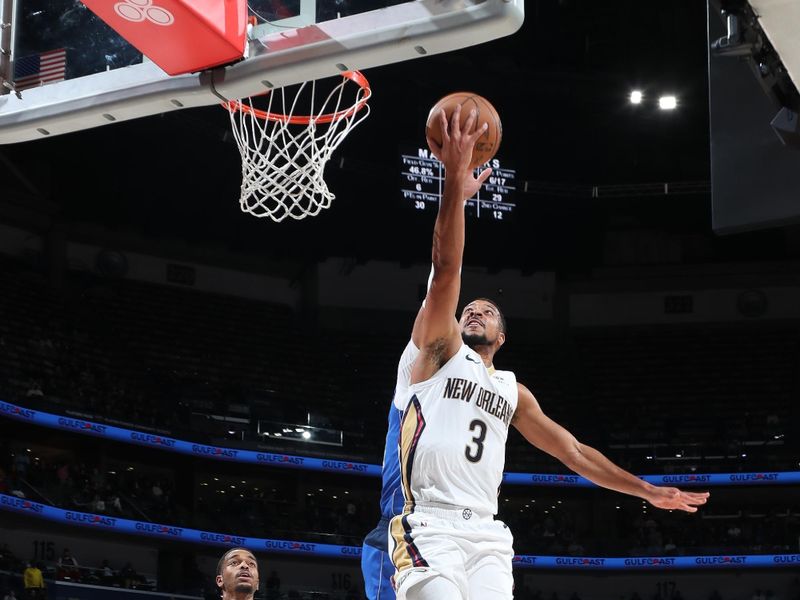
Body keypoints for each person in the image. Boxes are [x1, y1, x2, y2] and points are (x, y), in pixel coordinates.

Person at [388, 105, 711, 600]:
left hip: (489, 537)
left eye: (487, 313)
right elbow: (446, 267)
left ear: (501, 338)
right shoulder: (436, 352)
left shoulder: (513, 391)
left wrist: (646, 490)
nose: (474, 313)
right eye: (467, 310)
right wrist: (453, 183)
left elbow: (575, 452)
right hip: (429, 525)